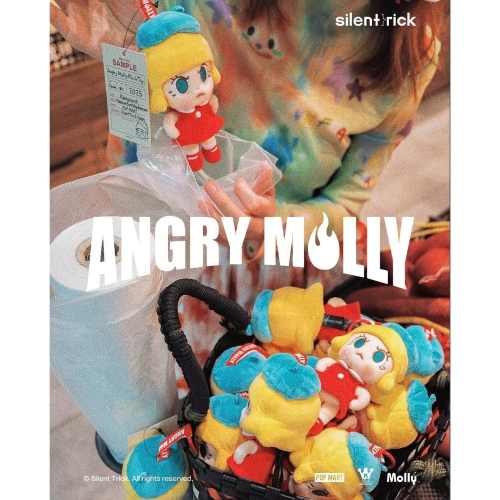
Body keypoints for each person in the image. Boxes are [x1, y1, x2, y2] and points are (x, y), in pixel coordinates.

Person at [50, 0, 447, 368]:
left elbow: (347, 197)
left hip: (285, 263)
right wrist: (132, 65)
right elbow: (134, 152)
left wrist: (277, 226)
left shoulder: (411, 51)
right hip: (162, 246)